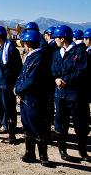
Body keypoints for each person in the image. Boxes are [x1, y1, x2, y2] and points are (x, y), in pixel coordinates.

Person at [51, 25, 89, 162]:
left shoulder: (79, 52)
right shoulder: (56, 53)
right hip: (60, 95)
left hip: (75, 95)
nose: (54, 40)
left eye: (56, 38)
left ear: (63, 38)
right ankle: (63, 150)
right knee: (61, 123)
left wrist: (65, 80)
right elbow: (54, 69)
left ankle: (83, 151)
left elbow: (82, 71)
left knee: (80, 124)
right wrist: (56, 78)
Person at [15, 30, 52, 167]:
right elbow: (22, 75)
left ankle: (43, 156)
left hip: (34, 98)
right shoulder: (31, 56)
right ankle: (30, 153)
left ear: (28, 43)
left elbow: (32, 79)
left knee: (38, 126)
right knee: (27, 125)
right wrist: (17, 87)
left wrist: (18, 89)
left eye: (24, 42)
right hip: (26, 97)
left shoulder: (39, 57)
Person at [0, 26, 22, 144]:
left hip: (7, 86)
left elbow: (18, 68)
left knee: (10, 109)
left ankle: (12, 135)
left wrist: (11, 81)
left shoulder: (11, 50)